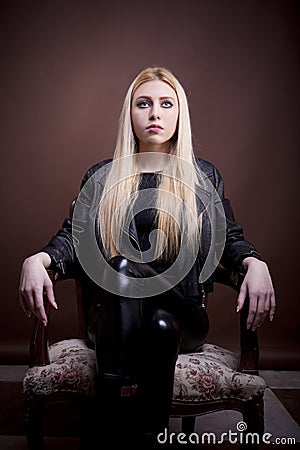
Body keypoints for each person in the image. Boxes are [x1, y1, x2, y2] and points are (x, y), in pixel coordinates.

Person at [19, 66, 276, 447]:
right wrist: (37, 259)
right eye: (144, 104)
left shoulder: (203, 177)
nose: (155, 113)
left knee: (126, 269)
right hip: (111, 323)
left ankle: (105, 426)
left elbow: (230, 240)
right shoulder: (102, 176)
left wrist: (255, 262)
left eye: (165, 104)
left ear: (178, 114)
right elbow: (71, 241)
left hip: (186, 316)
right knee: (157, 326)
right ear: (130, 114)